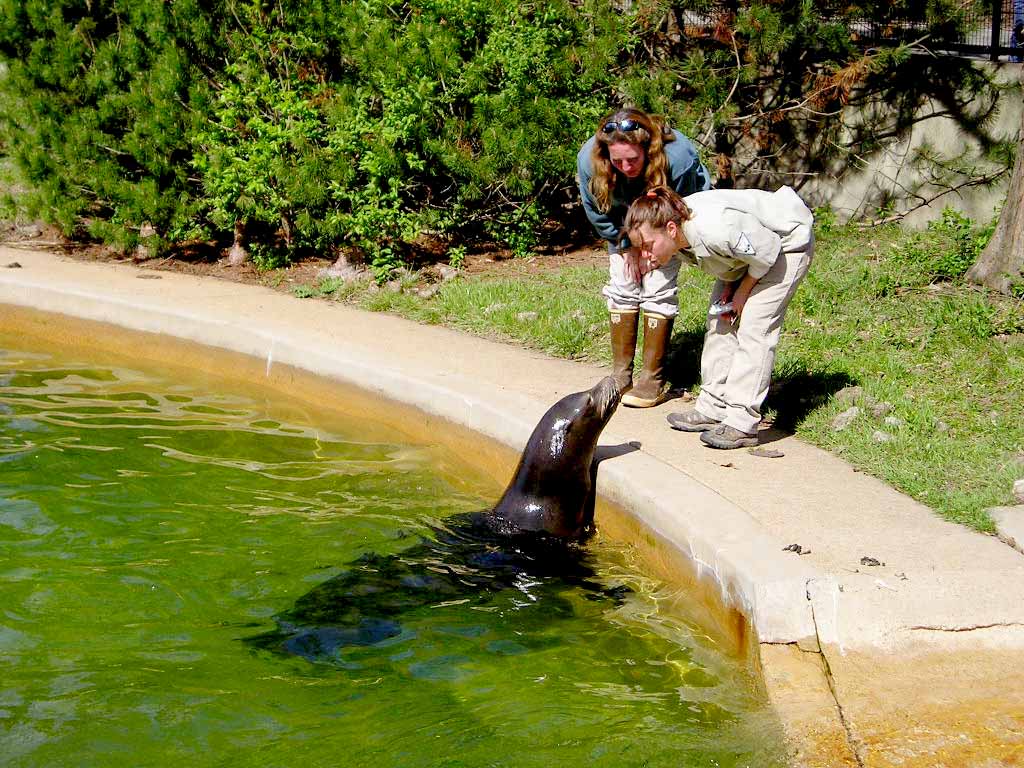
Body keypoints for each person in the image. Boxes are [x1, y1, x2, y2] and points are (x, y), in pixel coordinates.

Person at [621, 185, 814, 449]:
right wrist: (727, 291)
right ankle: (713, 407)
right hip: (749, 254)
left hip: (785, 244)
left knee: (754, 329)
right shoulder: (678, 233)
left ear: (671, 229)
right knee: (720, 322)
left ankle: (741, 422)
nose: (646, 255)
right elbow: (728, 257)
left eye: (648, 246)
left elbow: (767, 251)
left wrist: (742, 293)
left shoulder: (716, 227)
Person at [577, 108, 712, 408]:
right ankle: (621, 375)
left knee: (657, 286)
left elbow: (688, 208)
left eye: (633, 159)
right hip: (625, 221)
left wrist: (657, 250)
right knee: (622, 283)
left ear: (646, 149)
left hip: (669, 219)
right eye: (618, 161)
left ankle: (652, 379)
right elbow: (596, 209)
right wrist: (626, 245)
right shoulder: (590, 159)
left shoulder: (677, 158)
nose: (625, 167)